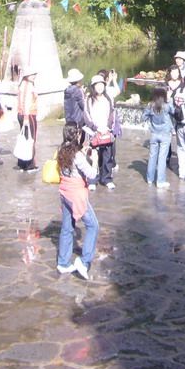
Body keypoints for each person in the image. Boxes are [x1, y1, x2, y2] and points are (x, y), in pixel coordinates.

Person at [56, 123, 99, 280]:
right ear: (77, 135)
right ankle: (84, 261)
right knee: (93, 225)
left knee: (67, 228)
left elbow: (72, 158)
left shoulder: (60, 150)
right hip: (76, 195)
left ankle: (63, 262)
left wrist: (83, 150)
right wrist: (94, 159)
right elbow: (92, 174)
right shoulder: (78, 156)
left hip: (64, 192)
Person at [85, 74, 117, 191]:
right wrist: (95, 127)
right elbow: (86, 115)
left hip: (106, 131)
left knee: (107, 156)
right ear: (93, 86)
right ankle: (92, 180)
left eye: (101, 85)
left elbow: (112, 114)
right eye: (97, 85)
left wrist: (109, 128)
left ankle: (107, 179)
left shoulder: (108, 98)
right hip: (94, 132)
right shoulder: (89, 99)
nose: (100, 87)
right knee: (93, 157)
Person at [144, 86, 174, 188]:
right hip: (165, 134)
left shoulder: (150, 105)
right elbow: (173, 112)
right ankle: (160, 181)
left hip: (153, 134)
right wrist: (169, 100)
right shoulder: (166, 106)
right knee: (162, 158)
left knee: (152, 156)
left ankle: (149, 179)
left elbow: (144, 117)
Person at [15, 67, 39, 172]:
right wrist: (26, 117)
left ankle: (22, 163)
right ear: (26, 76)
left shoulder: (23, 85)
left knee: (24, 138)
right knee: (31, 139)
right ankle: (30, 164)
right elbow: (26, 102)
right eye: (32, 74)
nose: (34, 76)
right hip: (28, 115)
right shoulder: (28, 87)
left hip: (22, 114)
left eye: (34, 74)